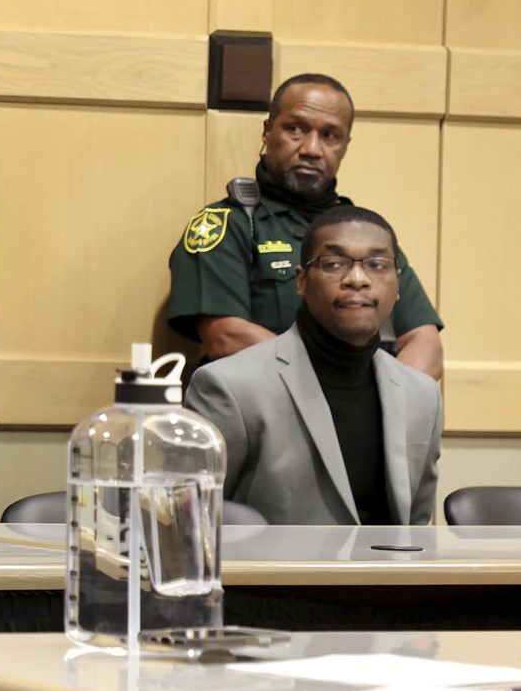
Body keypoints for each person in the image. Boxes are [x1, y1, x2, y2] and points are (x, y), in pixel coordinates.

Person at [168, 74, 443, 378]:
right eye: (295, 129)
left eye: (329, 135)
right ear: (268, 132)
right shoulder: (228, 224)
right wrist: (331, 390)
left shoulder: (366, 234)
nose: (312, 149)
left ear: (344, 146)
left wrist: (382, 402)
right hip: (262, 411)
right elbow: (225, 336)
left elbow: (426, 343)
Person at [185, 206, 442, 526]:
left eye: (377, 265)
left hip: (388, 576)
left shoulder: (423, 394)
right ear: (301, 280)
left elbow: (417, 530)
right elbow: (190, 522)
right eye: (334, 264)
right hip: (271, 575)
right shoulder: (230, 387)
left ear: (398, 283)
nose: (357, 279)